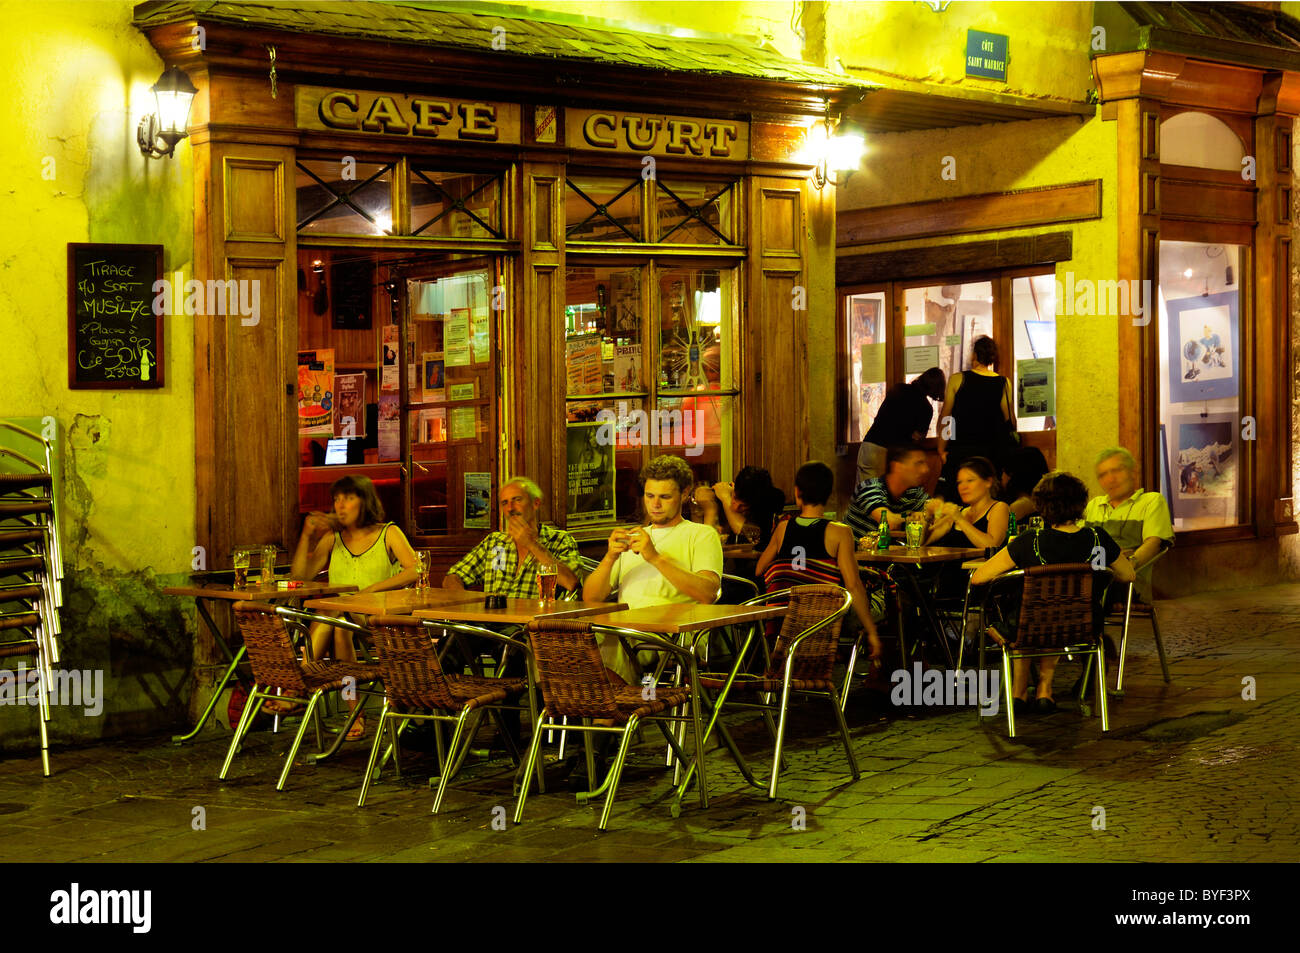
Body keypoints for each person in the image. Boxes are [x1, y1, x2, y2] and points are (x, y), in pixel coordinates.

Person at [972, 472, 1135, 715]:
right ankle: (1044, 690)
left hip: (1029, 626)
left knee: (1032, 613)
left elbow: (979, 577)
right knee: (1052, 616)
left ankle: (1018, 692)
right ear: (1080, 504)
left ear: (1042, 506)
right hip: (1084, 626)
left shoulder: (1030, 541)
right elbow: (1128, 574)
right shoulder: (1096, 538)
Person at [290, 475, 419, 739]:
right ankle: (354, 713)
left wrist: (373, 590)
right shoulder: (333, 538)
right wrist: (306, 536)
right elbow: (300, 578)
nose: (341, 505)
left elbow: (416, 569)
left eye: (348, 498)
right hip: (343, 621)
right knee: (338, 625)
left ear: (365, 501)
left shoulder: (388, 532)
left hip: (380, 619)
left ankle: (296, 687)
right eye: (336, 499)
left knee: (333, 613)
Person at [584, 454, 724, 683]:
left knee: (609, 643)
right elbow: (590, 598)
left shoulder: (701, 534)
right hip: (627, 628)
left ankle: (610, 714)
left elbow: (707, 593)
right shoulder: (635, 536)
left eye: (665, 497)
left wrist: (655, 557)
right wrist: (610, 557)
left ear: (685, 493)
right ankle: (597, 710)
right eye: (649, 496)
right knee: (563, 640)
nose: (655, 505)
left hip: (672, 635)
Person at [756, 461, 884, 672]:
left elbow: (759, 570)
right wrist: (872, 632)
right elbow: (853, 584)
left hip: (784, 624)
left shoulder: (783, 528)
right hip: (823, 624)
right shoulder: (840, 532)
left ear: (797, 492)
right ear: (829, 494)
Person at [445, 477, 581, 597]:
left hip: (534, 623)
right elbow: (452, 577)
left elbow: (572, 584)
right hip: (490, 623)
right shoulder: (495, 542)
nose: (510, 508)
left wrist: (532, 544)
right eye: (505, 503)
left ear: (536, 503)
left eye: (517, 500)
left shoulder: (560, 540)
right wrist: (465, 603)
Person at [1084, 447, 1174, 606]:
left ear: (1132, 472)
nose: (1110, 479)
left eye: (1116, 470)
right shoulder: (1094, 505)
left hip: (1128, 584)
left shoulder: (1151, 501)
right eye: (1103, 474)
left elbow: (1154, 543)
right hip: (1091, 577)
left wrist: (1125, 565)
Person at [935, 336, 1017, 498]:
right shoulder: (1003, 382)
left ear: (974, 355)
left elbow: (946, 418)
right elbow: (1010, 420)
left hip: (961, 452)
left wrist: (941, 448)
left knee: (955, 499)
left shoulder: (958, 379)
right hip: (991, 455)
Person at [856, 368, 946, 484]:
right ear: (936, 389)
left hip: (871, 444)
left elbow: (881, 415)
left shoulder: (898, 388)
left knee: (865, 495)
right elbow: (917, 438)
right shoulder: (926, 409)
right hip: (893, 455)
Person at [845, 443, 942, 539]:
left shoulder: (914, 493)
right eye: (918, 463)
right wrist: (911, 515)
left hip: (887, 553)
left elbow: (937, 513)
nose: (925, 470)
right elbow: (888, 522)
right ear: (897, 467)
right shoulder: (869, 488)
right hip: (855, 552)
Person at [925, 456, 1009, 550]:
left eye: (970, 480)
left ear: (988, 482)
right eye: (960, 482)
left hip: (980, 564)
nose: (963, 487)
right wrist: (927, 518)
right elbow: (922, 543)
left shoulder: (999, 507)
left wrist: (960, 520)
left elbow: (992, 545)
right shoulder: (958, 513)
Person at [692, 466, 786, 548]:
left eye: (743, 506)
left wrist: (726, 499)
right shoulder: (725, 494)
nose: (736, 507)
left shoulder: (772, 502)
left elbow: (753, 535)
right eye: (735, 498)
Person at [1000, 446, 1050, 521]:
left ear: (1013, 474)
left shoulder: (1020, 505)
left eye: (1004, 471)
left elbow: (1001, 530)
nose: (1002, 476)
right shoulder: (1044, 502)